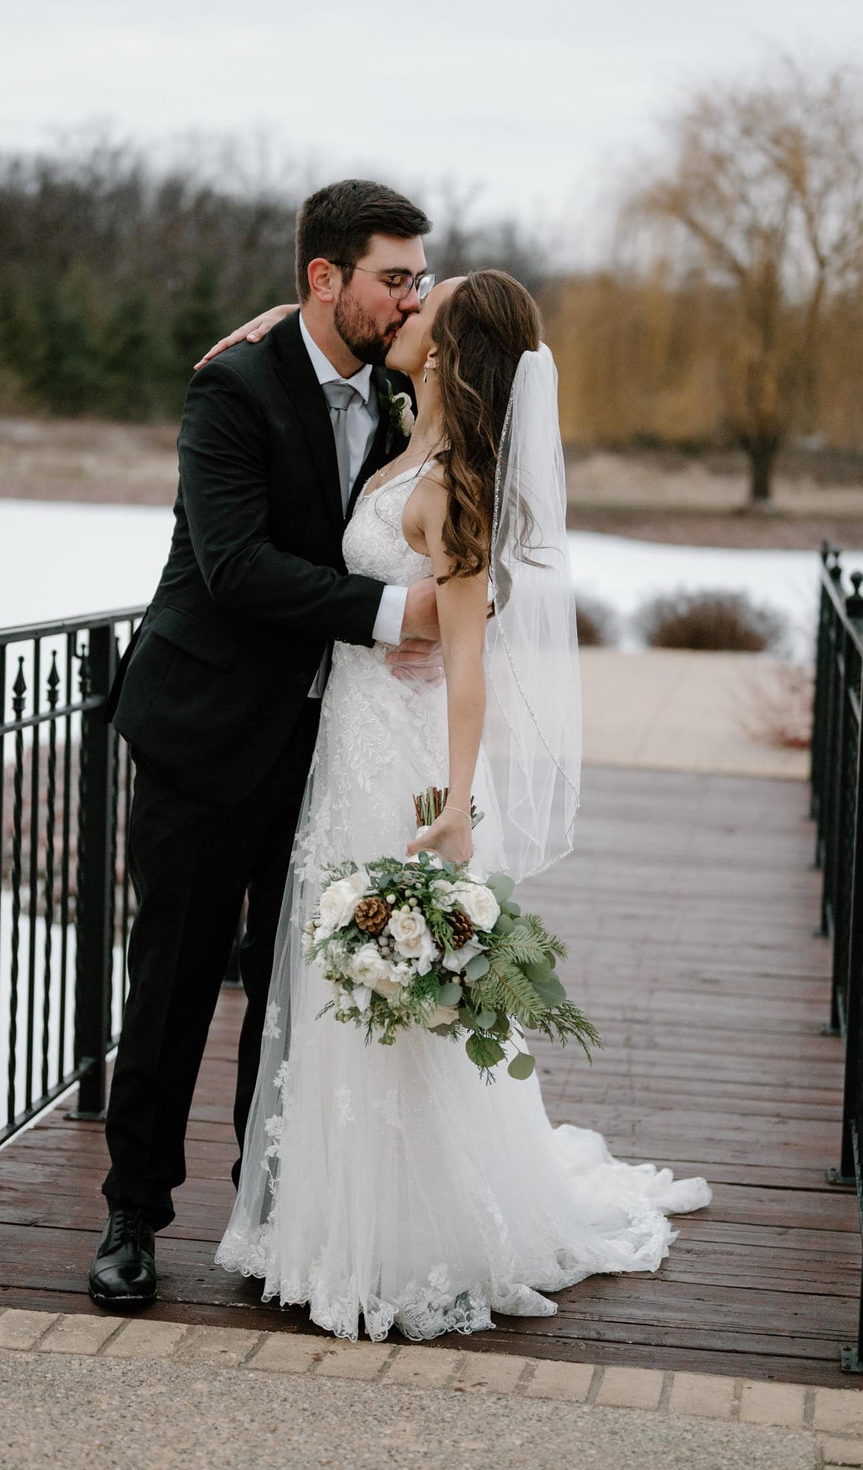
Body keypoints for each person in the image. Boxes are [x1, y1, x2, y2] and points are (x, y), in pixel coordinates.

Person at [214, 271, 712, 1341]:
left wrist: (453, 809)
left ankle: (403, 1240)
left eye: (421, 303)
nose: (404, 309)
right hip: (347, 740)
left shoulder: (453, 483)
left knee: (394, 992)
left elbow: (467, 663)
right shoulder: (404, 434)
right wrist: (263, 325)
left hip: (406, 766)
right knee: (335, 984)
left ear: (446, 349)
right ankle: (325, 1226)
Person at [89, 179, 445, 1308]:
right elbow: (233, 563)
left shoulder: (398, 393)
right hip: (205, 730)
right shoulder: (231, 384)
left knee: (295, 981)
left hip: (324, 739)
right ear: (321, 279)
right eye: (393, 278)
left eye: (416, 280)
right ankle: (130, 1219)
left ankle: (266, 1215)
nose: (409, 299)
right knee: (173, 983)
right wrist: (394, 616)